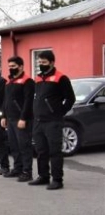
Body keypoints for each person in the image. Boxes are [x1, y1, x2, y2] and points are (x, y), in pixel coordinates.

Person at [29, 50, 75, 190]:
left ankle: (57, 179)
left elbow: (70, 99)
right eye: (39, 62)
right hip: (38, 121)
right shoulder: (38, 78)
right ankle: (43, 176)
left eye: (44, 62)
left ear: (52, 62)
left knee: (54, 151)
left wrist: (58, 112)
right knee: (41, 151)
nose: (41, 65)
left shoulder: (61, 78)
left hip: (53, 121)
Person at [0, 56, 35, 182]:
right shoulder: (9, 82)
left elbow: (28, 101)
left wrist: (23, 118)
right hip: (10, 119)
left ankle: (27, 171)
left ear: (21, 66)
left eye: (13, 66)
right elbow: (5, 101)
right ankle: (17, 168)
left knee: (24, 146)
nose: (11, 69)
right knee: (14, 146)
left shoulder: (27, 81)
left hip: (22, 120)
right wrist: (3, 116)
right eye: (9, 67)